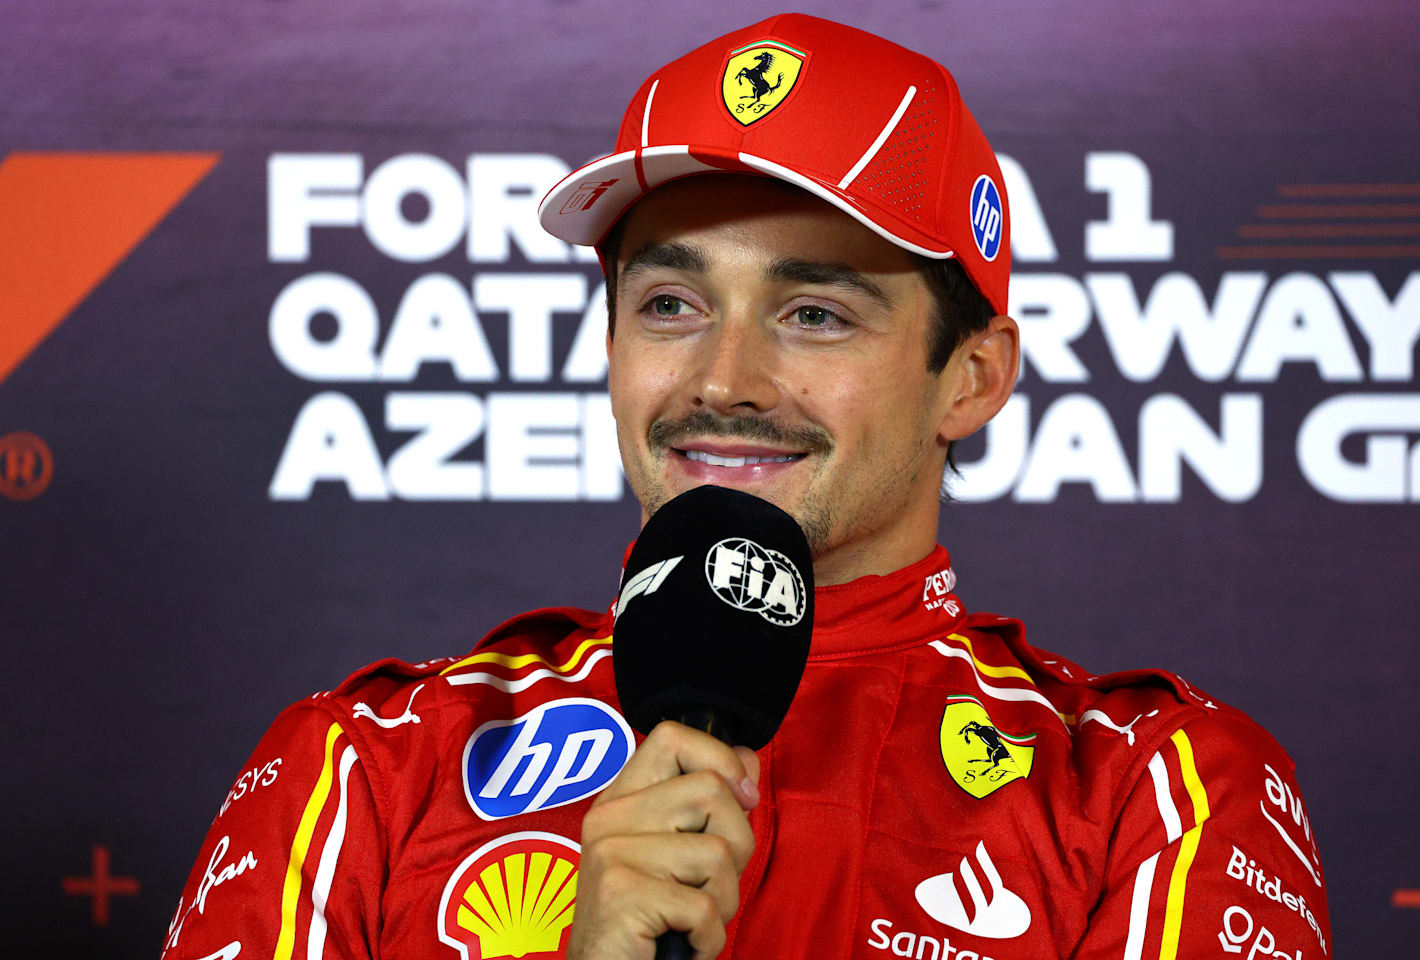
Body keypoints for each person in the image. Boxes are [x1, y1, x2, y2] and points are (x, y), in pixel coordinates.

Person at [163, 14, 1331, 960]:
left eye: (814, 314)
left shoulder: (1157, 795)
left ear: (970, 380)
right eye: (670, 304)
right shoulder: (366, 765)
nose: (725, 381)